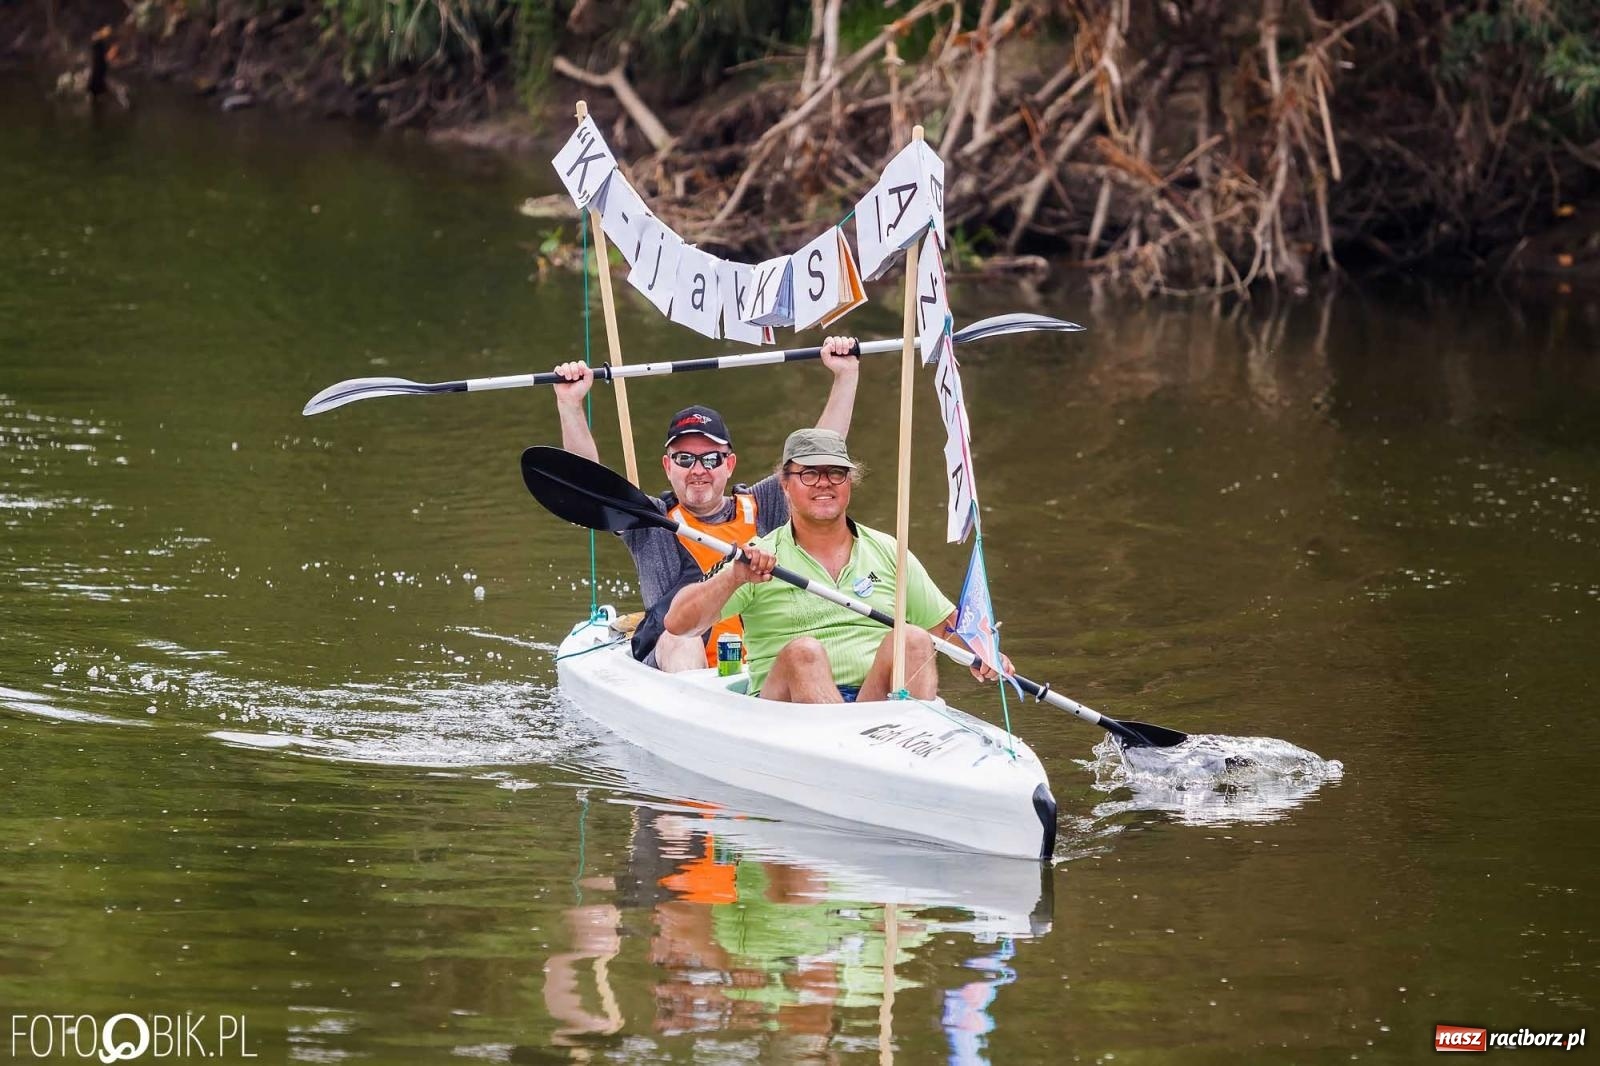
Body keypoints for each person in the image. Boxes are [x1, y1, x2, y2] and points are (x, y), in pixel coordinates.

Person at [551, 338, 860, 671]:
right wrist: (570, 404)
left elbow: (818, 455)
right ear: (668, 467)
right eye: (684, 459)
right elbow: (589, 487)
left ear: (729, 465)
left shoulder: (763, 504)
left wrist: (845, 375)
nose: (698, 470)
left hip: (759, 667)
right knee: (680, 638)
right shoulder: (651, 520)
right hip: (678, 666)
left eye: (711, 459)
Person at [663, 428, 1010, 703]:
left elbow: (946, 629)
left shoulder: (889, 551)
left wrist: (985, 653)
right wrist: (734, 578)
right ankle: (849, 753)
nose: (824, 482)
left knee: (914, 638)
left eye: (836, 473)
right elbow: (678, 623)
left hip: (875, 706)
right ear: (785, 484)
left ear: (849, 482)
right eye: (809, 474)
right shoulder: (756, 557)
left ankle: (913, 748)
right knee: (805, 654)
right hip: (787, 710)